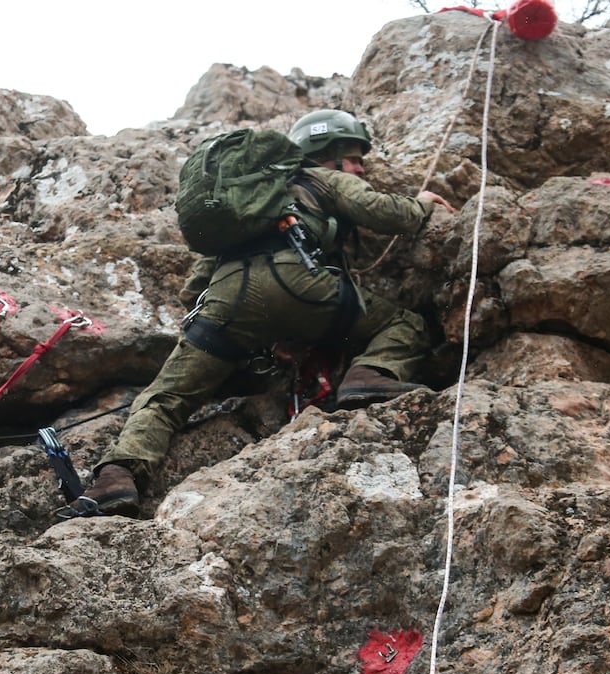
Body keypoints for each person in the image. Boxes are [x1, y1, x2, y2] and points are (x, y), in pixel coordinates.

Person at [63, 109, 455, 520]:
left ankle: (116, 477)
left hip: (226, 300)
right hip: (300, 283)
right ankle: (367, 376)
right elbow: (385, 213)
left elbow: (194, 287)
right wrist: (421, 204)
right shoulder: (318, 178)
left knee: (167, 396)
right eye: (354, 158)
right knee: (403, 323)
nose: (360, 167)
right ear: (328, 154)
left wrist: (248, 330)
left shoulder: (244, 206)